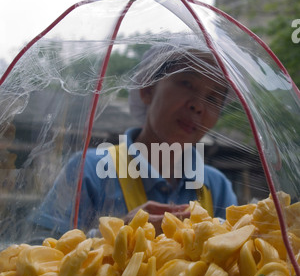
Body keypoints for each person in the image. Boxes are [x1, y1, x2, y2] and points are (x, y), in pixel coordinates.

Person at [30, 37, 237, 240]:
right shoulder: (91, 171)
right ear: (147, 91)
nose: (198, 106)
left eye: (213, 98)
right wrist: (112, 237)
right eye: (186, 83)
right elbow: (37, 252)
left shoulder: (215, 187)